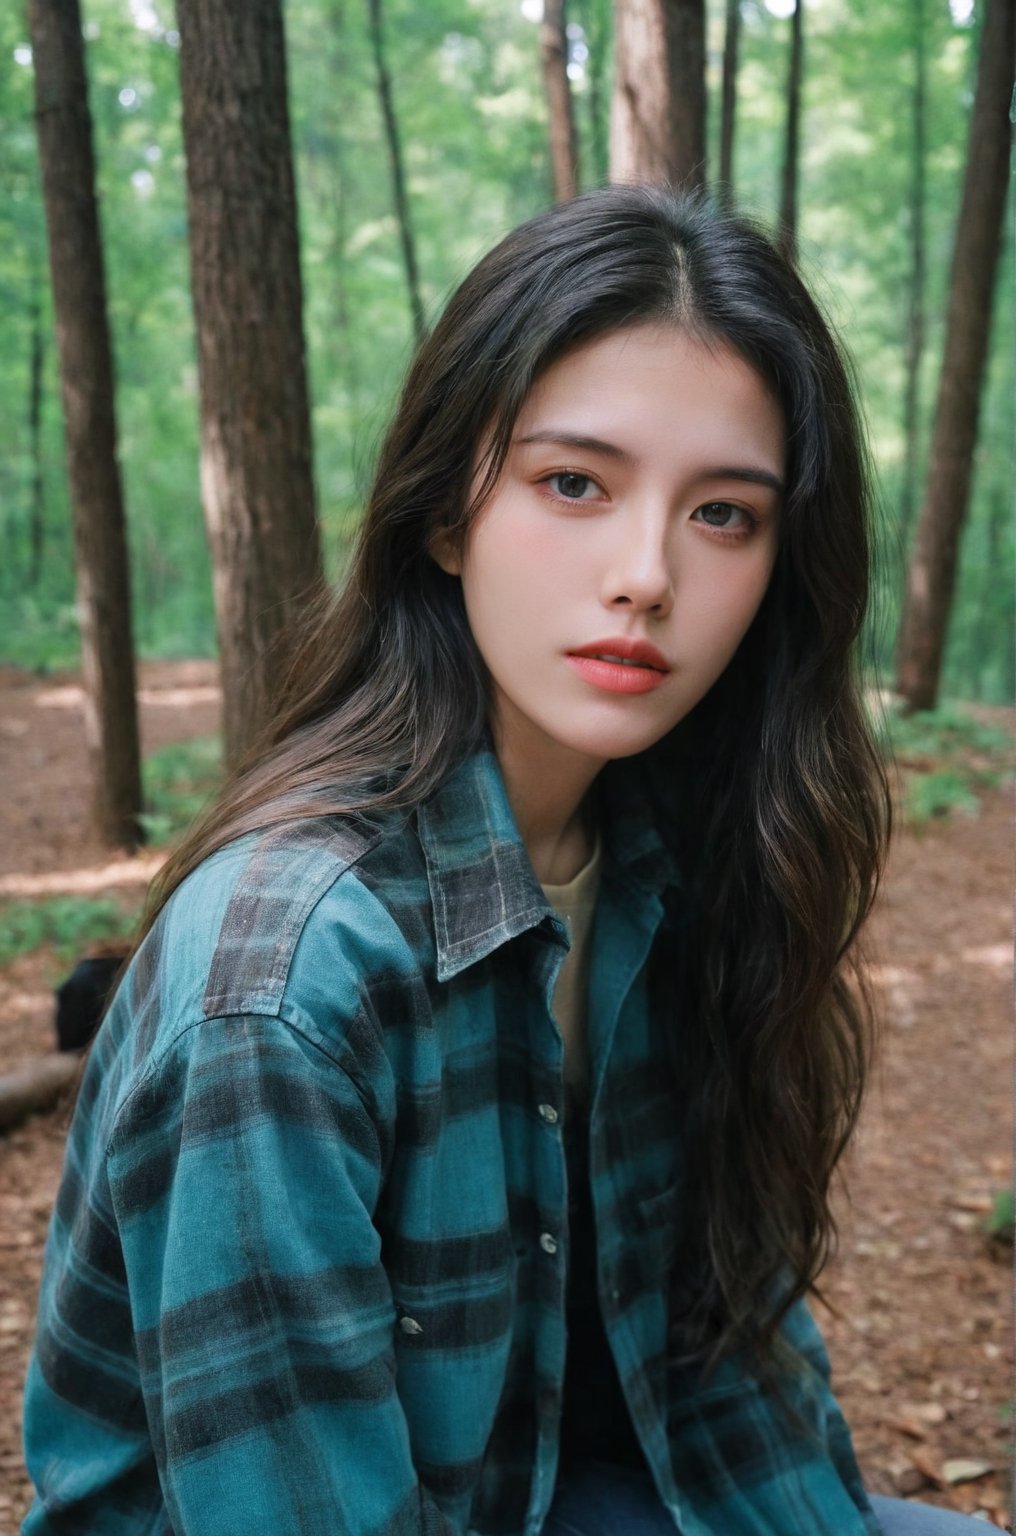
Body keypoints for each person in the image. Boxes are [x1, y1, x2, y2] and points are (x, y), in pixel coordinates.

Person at [22, 187, 981, 1536]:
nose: (645, 574)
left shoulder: (674, 867)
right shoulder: (283, 980)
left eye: (725, 515)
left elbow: (728, 1373)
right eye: (573, 483)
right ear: (445, 513)